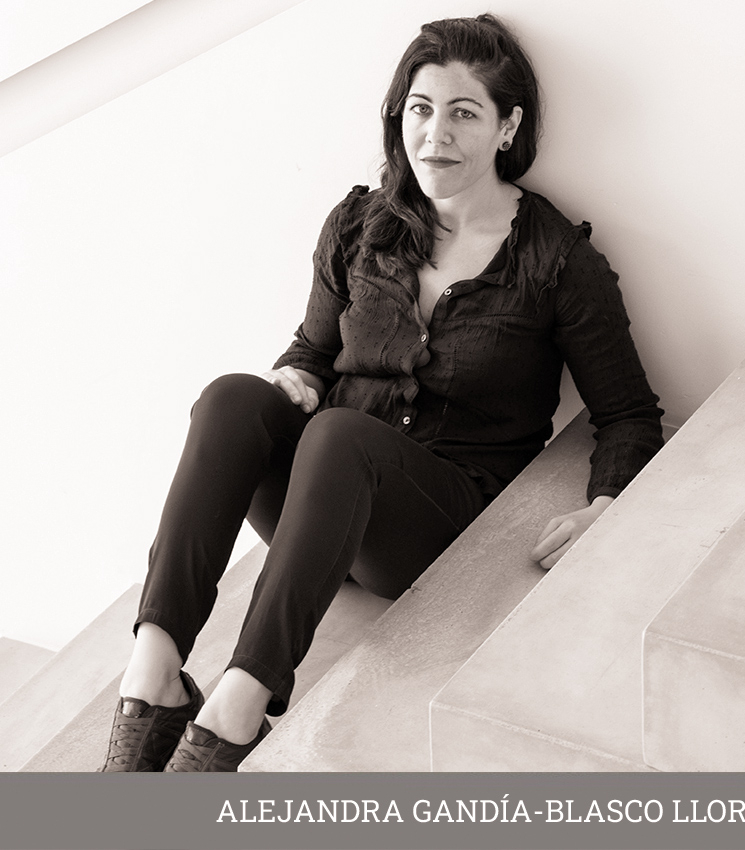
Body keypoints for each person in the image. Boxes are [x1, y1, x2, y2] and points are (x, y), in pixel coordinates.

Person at [100, 13, 663, 774]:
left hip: (427, 525)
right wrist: (295, 377)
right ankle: (153, 679)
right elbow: (311, 351)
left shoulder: (555, 262)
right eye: (421, 109)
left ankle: (236, 708)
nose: (436, 134)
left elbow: (628, 413)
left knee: (340, 436)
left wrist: (605, 505)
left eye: (464, 113)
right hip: (322, 506)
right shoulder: (361, 224)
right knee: (231, 397)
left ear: (508, 127)